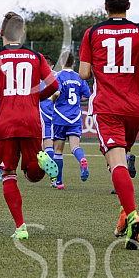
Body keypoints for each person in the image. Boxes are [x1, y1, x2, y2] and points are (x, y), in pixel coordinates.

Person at [79, 0, 139, 249]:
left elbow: (83, 73)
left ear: (105, 6)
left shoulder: (92, 32)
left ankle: (132, 215)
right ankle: (127, 222)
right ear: (128, 6)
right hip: (134, 108)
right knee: (119, 161)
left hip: (107, 107)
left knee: (115, 162)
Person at [0, 12, 59, 239]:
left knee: (8, 173)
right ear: (22, 33)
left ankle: (21, 227)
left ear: (2, 33)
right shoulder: (36, 57)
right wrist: (36, 98)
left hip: (6, 122)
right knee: (33, 173)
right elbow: (54, 85)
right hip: (32, 120)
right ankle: (42, 161)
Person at [50, 52, 91, 189]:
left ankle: (59, 181)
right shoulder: (80, 77)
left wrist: (53, 99)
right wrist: (77, 100)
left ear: (61, 62)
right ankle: (82, 159)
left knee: (58, 150)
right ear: (74, 63)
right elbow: (87, 96)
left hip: (60, 116)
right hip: (75, 117)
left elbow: (56, 93)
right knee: (74, 147)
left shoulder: (59, 76)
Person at [39, 55, 57, 165]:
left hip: (43, 112)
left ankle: (49, 166)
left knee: (46, 141)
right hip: (57, 112)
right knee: (55, 141)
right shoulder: (57, 75)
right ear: (52, 66)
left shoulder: (36, 77)